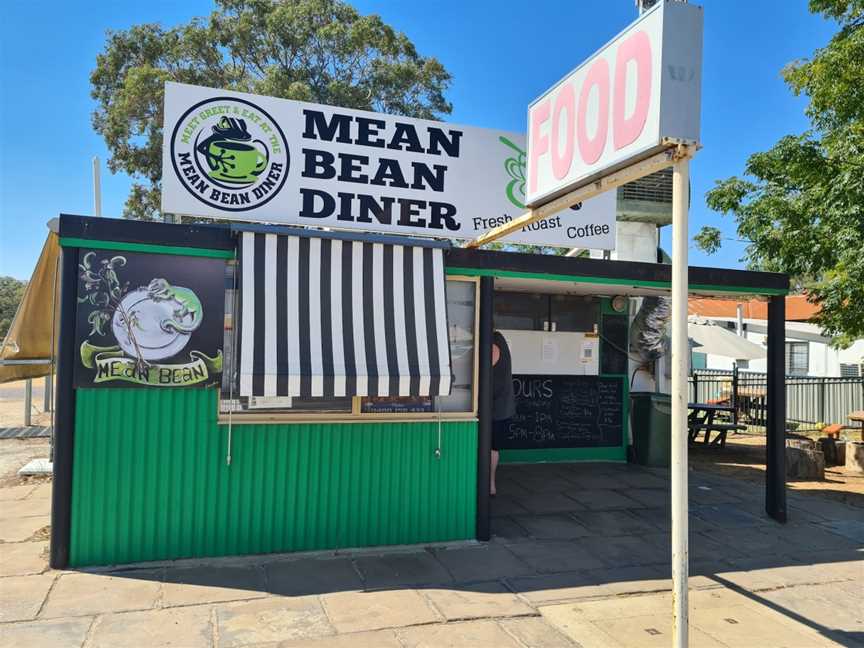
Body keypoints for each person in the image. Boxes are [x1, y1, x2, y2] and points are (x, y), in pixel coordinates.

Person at [491, 330, 515, 496]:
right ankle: (490, 484)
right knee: (493, 447)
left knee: (491, 447)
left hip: (495, 408)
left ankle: (489, 484)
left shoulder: (492, 343)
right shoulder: (500, 340)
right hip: (502, 407)